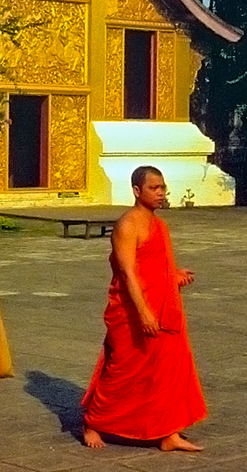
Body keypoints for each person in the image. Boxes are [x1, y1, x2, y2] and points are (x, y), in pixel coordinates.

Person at [82, 165, 207, 452]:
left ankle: (168, 433)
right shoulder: (128, 225)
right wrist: (143, 312)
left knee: (166, 372)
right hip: (133, 311)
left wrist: (172, 275)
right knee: (121, 370)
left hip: (163, 306)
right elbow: (127, 273)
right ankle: (93, 420)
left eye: (162, 187)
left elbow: (152, 265)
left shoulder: (159, 225)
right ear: (137, 191)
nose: (161, 193)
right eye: (154, 188)